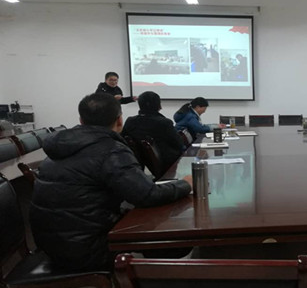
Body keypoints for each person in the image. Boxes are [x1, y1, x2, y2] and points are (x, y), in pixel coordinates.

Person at [29, 93, 192, 272]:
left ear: (81, 120)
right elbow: (148, 195)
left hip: (51, 244)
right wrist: (186, 184)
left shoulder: (58, 148)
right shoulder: (111, 150)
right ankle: (154, 284)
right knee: (173, 236)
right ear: (119, 120)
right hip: (88, 249)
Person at [122, 91, 184, 174]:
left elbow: (123, 141)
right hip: (168, 165)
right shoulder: (164, 123)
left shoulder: (130, 121)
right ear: (159, 105)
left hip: (139, 165)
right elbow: (179, 144)